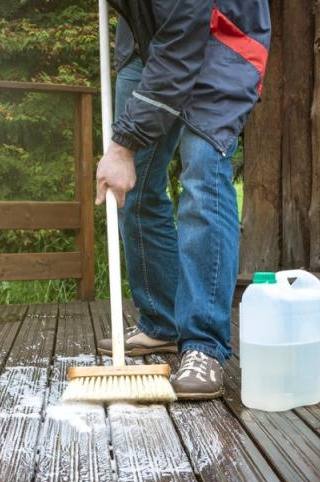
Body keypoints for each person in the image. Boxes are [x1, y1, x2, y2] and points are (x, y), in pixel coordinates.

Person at [95, 1, 270, 400]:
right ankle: (162, 322)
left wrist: (122, 145)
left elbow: (182, 39)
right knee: (135, 183)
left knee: (203, 170)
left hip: (224, 36)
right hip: (151, 40)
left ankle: (204, 345)